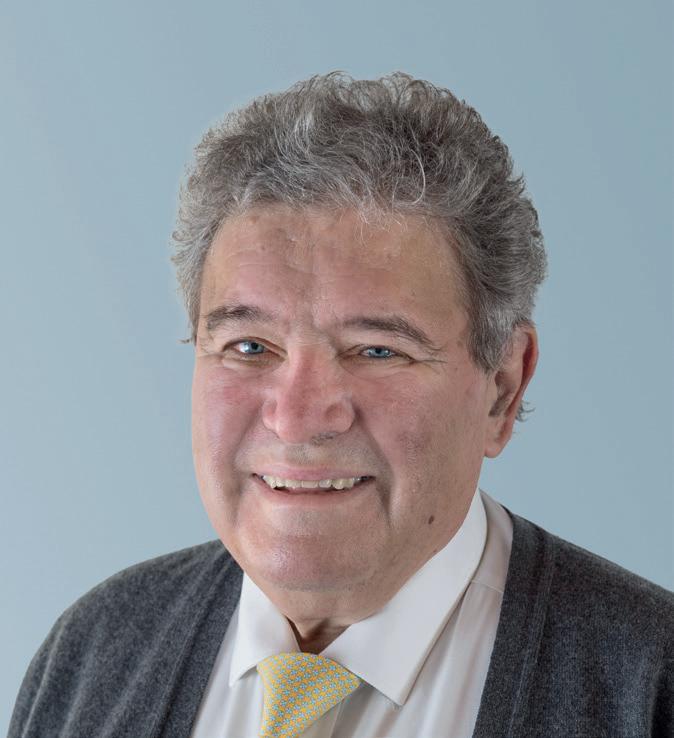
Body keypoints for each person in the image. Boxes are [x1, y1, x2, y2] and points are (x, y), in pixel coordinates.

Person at [9, 72, 673, 738]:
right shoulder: (93, 654)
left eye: (377, 350)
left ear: (502, 388)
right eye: (248, 346)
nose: (297, 418)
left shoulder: (650, 689)